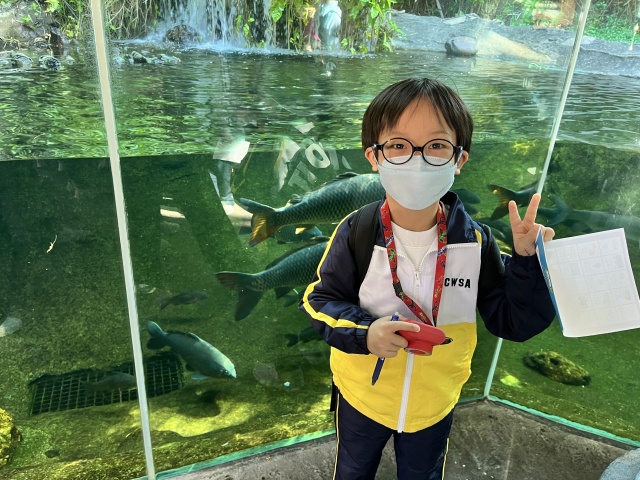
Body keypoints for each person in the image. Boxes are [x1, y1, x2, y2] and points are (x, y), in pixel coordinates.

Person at [299, 77, 556, 480]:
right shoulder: (357, 231)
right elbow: (320, 301)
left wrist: (528, 264)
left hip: (435, 403)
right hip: (362, 396)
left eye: (436, 145)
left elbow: (513, 322)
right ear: (374, 156)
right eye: (398, 145)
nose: (417, 160)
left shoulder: (476, 242)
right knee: (352, 471)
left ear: (459, 158)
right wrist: (366, 333)